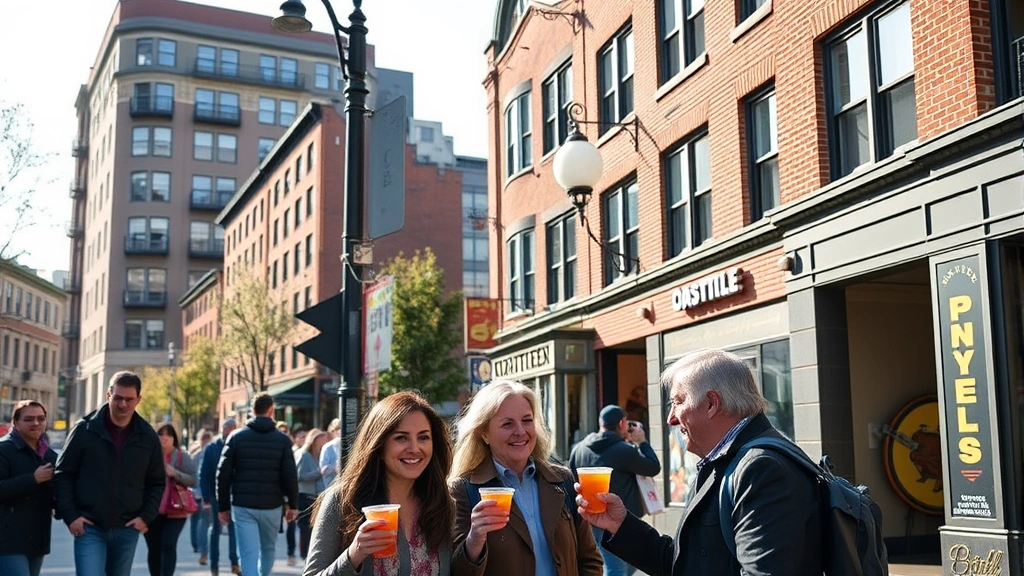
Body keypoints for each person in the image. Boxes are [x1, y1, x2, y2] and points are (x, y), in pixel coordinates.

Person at [577, 349, 823, 576]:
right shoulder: (723, 461)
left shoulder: (761, 469)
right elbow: (685, 563)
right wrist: (620, 524)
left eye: (678, 402)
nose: (670, 419)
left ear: (711, 404)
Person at [449, 379, 602, 576]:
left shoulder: (563, 480)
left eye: (527, 420)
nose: (520, 431)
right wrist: (475, 539)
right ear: (484, 433)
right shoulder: (464, 490)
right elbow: (456, 572)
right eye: (507, 424)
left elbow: (589, 560)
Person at [303, 391, 454, 576]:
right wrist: (354, 555)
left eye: (423, 437)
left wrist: (475, 543)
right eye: (401, 438)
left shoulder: (440, 503)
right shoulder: (342, 502)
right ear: (379, 446)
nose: (415, 448)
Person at [55, 371, 164, 576]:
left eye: (129, 399)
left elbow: (157, 482)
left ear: (138, 400)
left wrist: (146, 517)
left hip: (127, 528)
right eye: (118, 398)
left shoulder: (147, 436)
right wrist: (71, 516)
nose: (123, 404)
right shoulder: (84, 430)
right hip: (89, 527)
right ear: (108, 396)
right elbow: (63, 474)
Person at [569, 405, 661, 576]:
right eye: (627, 422)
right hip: (619, 521)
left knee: (621, 566)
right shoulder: (625, 451)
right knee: (616, 570)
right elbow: (653, 467)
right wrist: (641, 442)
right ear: (621, 423)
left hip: (588, 520)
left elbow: (571, 481)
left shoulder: (579, 449)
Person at [217, 393, 298, 576]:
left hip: (243, 505)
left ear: (252, 411)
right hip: (272, 505)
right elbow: (290, 476)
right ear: (271, 410)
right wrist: (292, 505)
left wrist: (223, 506)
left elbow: (223, 474)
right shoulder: (283, 440)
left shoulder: (236, 437)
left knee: (247, 552)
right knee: (268, 548)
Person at [0, 400, 59, 576]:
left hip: (37, 539)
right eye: (29, 419)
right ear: (15, 422)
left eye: (41, 419)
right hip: (7, 541)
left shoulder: (48, 454)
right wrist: (33, 479)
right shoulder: (4, 450)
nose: (36, 423)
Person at [145, 422, 198, 576]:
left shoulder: (182, 457)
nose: (164, 438)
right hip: (153, 511)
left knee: (168, 544)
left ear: (174, 438)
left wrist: (175, 473)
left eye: (168, 435)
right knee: (154, 548)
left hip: (176, 510)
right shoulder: (149, 456)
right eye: (161, 434)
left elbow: (194, 480)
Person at [200, 418, 239, 576]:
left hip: (234, 495)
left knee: (233, 529)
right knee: (216, 528)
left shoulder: (239, 445)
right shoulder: (212, 448)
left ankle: (235, 563)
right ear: (223, 430)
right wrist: (206, 498)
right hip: (216, 495)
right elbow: (204, 474)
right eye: (228, 429)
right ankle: (214, 566)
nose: (230, 432)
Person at [295, 429, 329, 560]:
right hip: (305, 494)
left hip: (316, 494)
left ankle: (310, 552)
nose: (324, 441)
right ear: (315, 439)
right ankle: (304, 553)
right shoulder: (304, 454)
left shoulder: (318, 454)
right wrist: (318, 472)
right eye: (322, 438)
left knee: (314, 525)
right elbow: (299, 475)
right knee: (305, 526)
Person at [280, 422, 305, 566]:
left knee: (292, 523)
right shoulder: (291, 451)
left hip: (292, 493)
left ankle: (292, 553)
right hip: (278, 493)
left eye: (285, 431)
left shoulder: (294, 451)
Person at [190, 429, 214, 565]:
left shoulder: (195, 453)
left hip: (195, 491)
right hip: (203, 493)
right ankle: (202, 547)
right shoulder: (211, 452)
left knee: (197, 520)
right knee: (204, 521)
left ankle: (197, 545)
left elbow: (191, 472)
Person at [317, 418, 342, 488]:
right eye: (338, 429)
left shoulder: (351, 445)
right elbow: (323, 470)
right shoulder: (328, 447)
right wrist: (334, 467)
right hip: (331, 486)